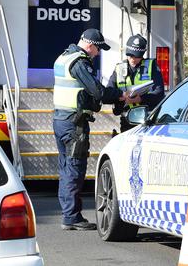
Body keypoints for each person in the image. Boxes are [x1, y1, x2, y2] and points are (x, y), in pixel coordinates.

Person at [53, 28, 126, 230]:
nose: (98, 53)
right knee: (75, 168)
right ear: (90, 45)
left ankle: (69, 214)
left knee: (65, 167)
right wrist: (119, 95)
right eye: (98, 49)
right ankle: (71, 217)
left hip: (61, 119)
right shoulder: (79, 62)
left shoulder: (64, 57)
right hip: (73, 123)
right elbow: (97, 90)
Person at [107, 34, 165, 132]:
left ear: (142, 54)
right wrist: (120, 97)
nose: (133, 59)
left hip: (147, 119)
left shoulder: (152, 66)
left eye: (137, 56)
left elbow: (159, 93)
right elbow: (109, 91)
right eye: (130, 55)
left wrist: (140, 99)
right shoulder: (119, 68)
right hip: (127, 119)